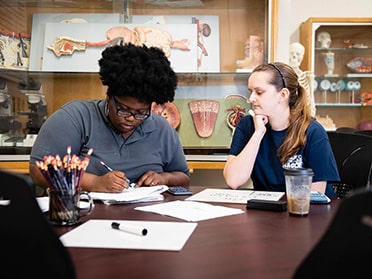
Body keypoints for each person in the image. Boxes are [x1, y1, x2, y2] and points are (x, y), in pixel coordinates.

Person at [29, 43, 190, 193]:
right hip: (85, 215)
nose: (131, 119)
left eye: (141, 112)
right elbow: (38, 170)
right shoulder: (75, 117)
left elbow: (183, 177)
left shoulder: (161, 129)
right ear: (109, 97)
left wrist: (164, 178)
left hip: (147, 216)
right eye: (124, 109)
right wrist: (94, 183)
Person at [223, 62, 339, 198]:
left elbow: (315, 196)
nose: (251, 99)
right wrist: (258, 133)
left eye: (259, 92)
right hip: (268, 211)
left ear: (283, 95)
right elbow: (233, 181)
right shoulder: (247, 125)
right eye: (251, 92)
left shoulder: (313, 131)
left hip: (306, 212)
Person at [289, 42, 316, 117]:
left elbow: (311, 100)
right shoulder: (283, 75)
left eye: (297, 54)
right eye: (292, 54)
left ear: (302, 56)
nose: (294, 57)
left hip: (304, 117)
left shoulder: (307, 76)